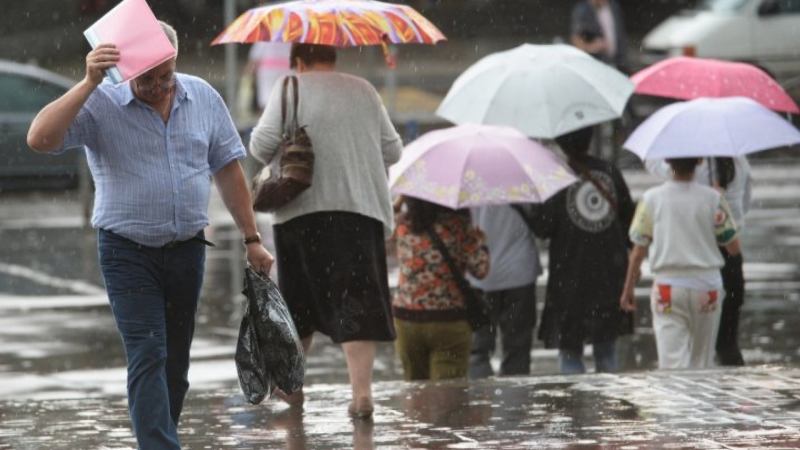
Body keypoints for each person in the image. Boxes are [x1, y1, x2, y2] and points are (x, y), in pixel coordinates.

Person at [26, 22, 274, 450]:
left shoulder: (203, 98)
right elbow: (39, 139)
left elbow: (229, 170)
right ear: (124, 69)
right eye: (146, 78)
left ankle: (160, 437)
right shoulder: (101, 101)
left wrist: (252, 238)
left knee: (175, 365)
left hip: (187, 250)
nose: (158, 86)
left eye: (166, 74)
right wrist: (87, 82)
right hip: (126, 251)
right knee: (148, 354)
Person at [249, 43, 402, 418]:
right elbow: (394, 151)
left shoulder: (289, 87)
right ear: (333, 57)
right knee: (357, 304)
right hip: (358, 213)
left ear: (298, 61)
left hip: (302, 214)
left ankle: (293, 384)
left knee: (299, 303)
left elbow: (259, 146)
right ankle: (361, 393)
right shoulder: (363, 89)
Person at [527, 127, 635, 374]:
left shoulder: (556, 179)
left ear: (561, 144)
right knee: (606, 351)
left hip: (569, 278)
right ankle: (609, 407)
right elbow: (630, 225)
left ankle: (574, 405)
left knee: (569, 350)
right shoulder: (610, 172)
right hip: (609, 275)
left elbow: (544, 228)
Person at [622, 157, 741, 369]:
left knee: (671, 364)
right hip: (707, 288)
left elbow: (638, 249)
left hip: (668, 288)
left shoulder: (651, 199)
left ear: (667, 161)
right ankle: (700, 400)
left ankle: (676, 401)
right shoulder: (713, 198)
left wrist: (628, 287)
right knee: (702, 362)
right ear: (699, 161)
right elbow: (733, 247)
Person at [392, 197, 489, 381]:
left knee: (415, 391)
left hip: (407, 320)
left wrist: (399, 201)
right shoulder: (459, 226)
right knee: (447, 397)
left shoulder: (403, 224)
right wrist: (480, 241)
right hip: (449, 320)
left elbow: (382, 223)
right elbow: (481, 270)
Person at [467, 204, 541, 378]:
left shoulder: (465, 182)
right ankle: (515, 401)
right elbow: (540, 224)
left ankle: (481, 398)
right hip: (520, 272)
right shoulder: (522, 181)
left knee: (478, 350)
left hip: (480, 272)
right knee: (518, 349)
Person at [570, 0, 629, 73]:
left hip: (617, 64)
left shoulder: (614, 7)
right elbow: (577, 40)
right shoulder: (583, 10)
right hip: (595, 65)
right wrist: (593, 46)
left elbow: (620, 35)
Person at [246, 42, 292, 113]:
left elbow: (256, 56)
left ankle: (268, 117)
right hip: (286, 69)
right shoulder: (290, 37)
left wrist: (250, 70)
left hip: (267, 70)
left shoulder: (265, 37)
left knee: (266, 96)